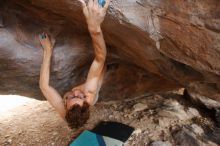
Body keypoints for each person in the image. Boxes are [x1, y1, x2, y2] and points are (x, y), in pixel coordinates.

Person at [39, 0, 110, 129]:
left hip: (84, 80)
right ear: (86, 101)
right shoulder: (90, 91)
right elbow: (100, 58)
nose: (76, 92)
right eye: (81, 97)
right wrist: (94, 27)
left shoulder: (65, 111)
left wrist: (47, 51)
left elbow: (44, 87)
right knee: (101, 65)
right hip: (99, 71)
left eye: (71, 96)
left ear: (65, 105)